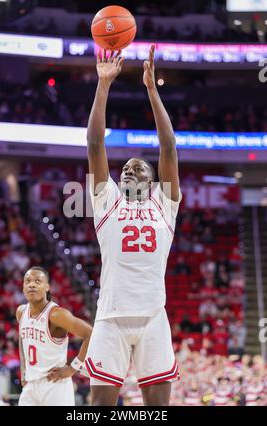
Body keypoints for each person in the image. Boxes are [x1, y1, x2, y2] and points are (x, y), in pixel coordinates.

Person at [86, 45, 181, 406]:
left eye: (138, 167)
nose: (128, 168)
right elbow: (95, 142)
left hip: (154, 315)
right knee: (99, 408)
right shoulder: (105, 199)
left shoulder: (165, 201)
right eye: (125, 167)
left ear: (153, 179)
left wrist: (152, 90)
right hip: (110, 316)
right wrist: (103, 84)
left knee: (157, 409)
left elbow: (169, 146)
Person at [17, 266, 92, 406]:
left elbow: (90, 333)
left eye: (37, 281)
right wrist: (23, 368)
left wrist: (72, 368)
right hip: (31, 384)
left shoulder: (56, 314)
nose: (32, 284)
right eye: (28, 281)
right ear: (23, 287)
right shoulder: (21, 312)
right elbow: (22, 339)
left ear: (47, 287)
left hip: (55, 384)